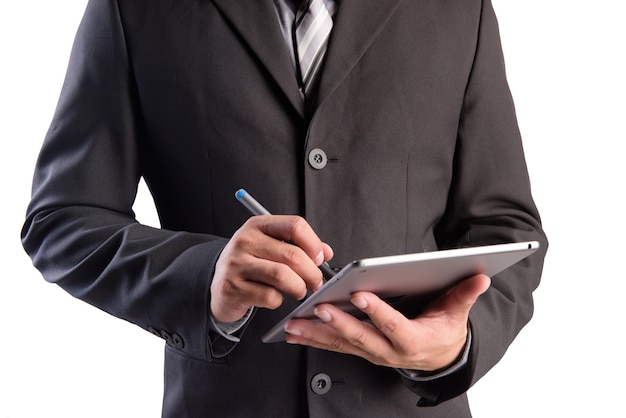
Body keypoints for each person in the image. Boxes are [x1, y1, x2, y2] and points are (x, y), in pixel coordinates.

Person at [21, 0, 547, 416]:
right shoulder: (133, 8)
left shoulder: (460, 8)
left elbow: (504, 226)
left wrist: (458, 342)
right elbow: (62, 219)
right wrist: (204, 278)